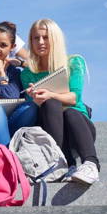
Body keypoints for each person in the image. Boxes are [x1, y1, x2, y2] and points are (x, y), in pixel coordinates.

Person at [21, 18, 100, 184]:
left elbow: (73, 98)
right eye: (36, 38)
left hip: (78, 127)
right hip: (50, 129)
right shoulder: (27, 73)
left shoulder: (73, 62)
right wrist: (33, 98)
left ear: (55, 39)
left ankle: (91, 163)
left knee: (69, 111)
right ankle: (64, 164)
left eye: (46, 37)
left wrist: (50, 94)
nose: (40, 42)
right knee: (49, 103)